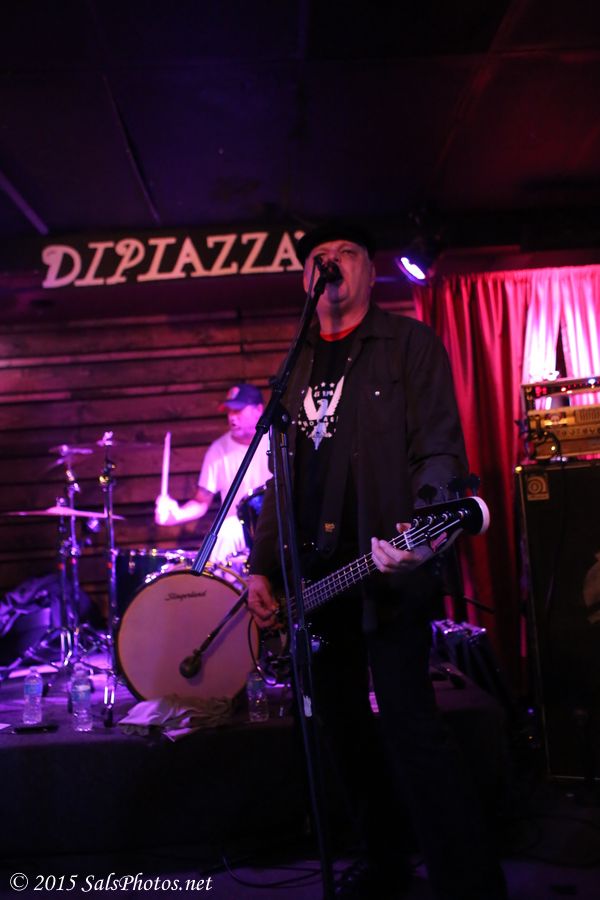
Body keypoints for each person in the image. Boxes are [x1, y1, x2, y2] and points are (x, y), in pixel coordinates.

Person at [246, 223, 508, 900]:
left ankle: (469, 883)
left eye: (346, 253)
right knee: (341, 730)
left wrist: (426, 526)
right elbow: (278, 476)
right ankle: (385, 862)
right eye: (318, 257)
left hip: (388, 567)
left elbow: (440, 448)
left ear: (368, 270)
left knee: (411, 726)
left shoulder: (408, 345)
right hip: (317, 582)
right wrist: (261, 567)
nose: (330, 264)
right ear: (305, 278)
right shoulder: (297, 363)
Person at [155, 382, 271, 564]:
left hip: (276, 524)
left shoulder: (277, 440)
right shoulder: (218, 450)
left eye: (238, 411)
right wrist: (176, 514)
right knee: (224, 533)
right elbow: (202, 501)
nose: (232, 417)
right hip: (238, 528)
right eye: (229, 411)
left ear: (258, 410)